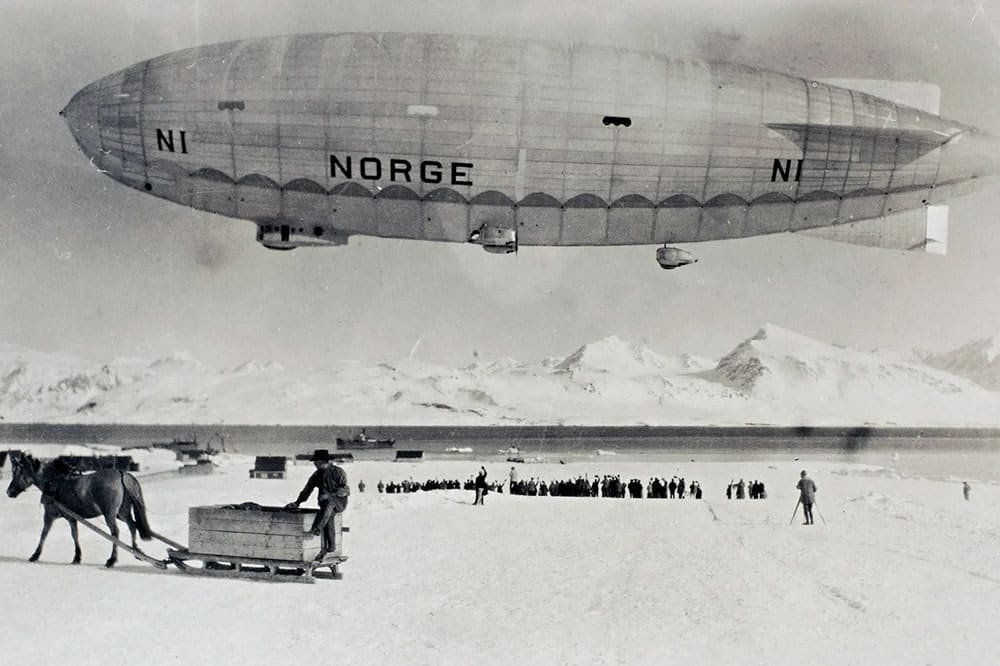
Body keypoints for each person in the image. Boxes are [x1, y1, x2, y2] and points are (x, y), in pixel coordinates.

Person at [285, 449, 350, 558]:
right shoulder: (316, 475)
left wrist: (330, 495)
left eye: (316, 461)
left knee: (329, 503)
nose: (314, 463)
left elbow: (346, 490)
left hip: (339, 503)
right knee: (328, 513)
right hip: (325, 506)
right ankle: (331, 546)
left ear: (320, 461)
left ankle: (317, 528)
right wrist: (297, 503)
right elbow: (307, 490)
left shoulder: (338, 471)